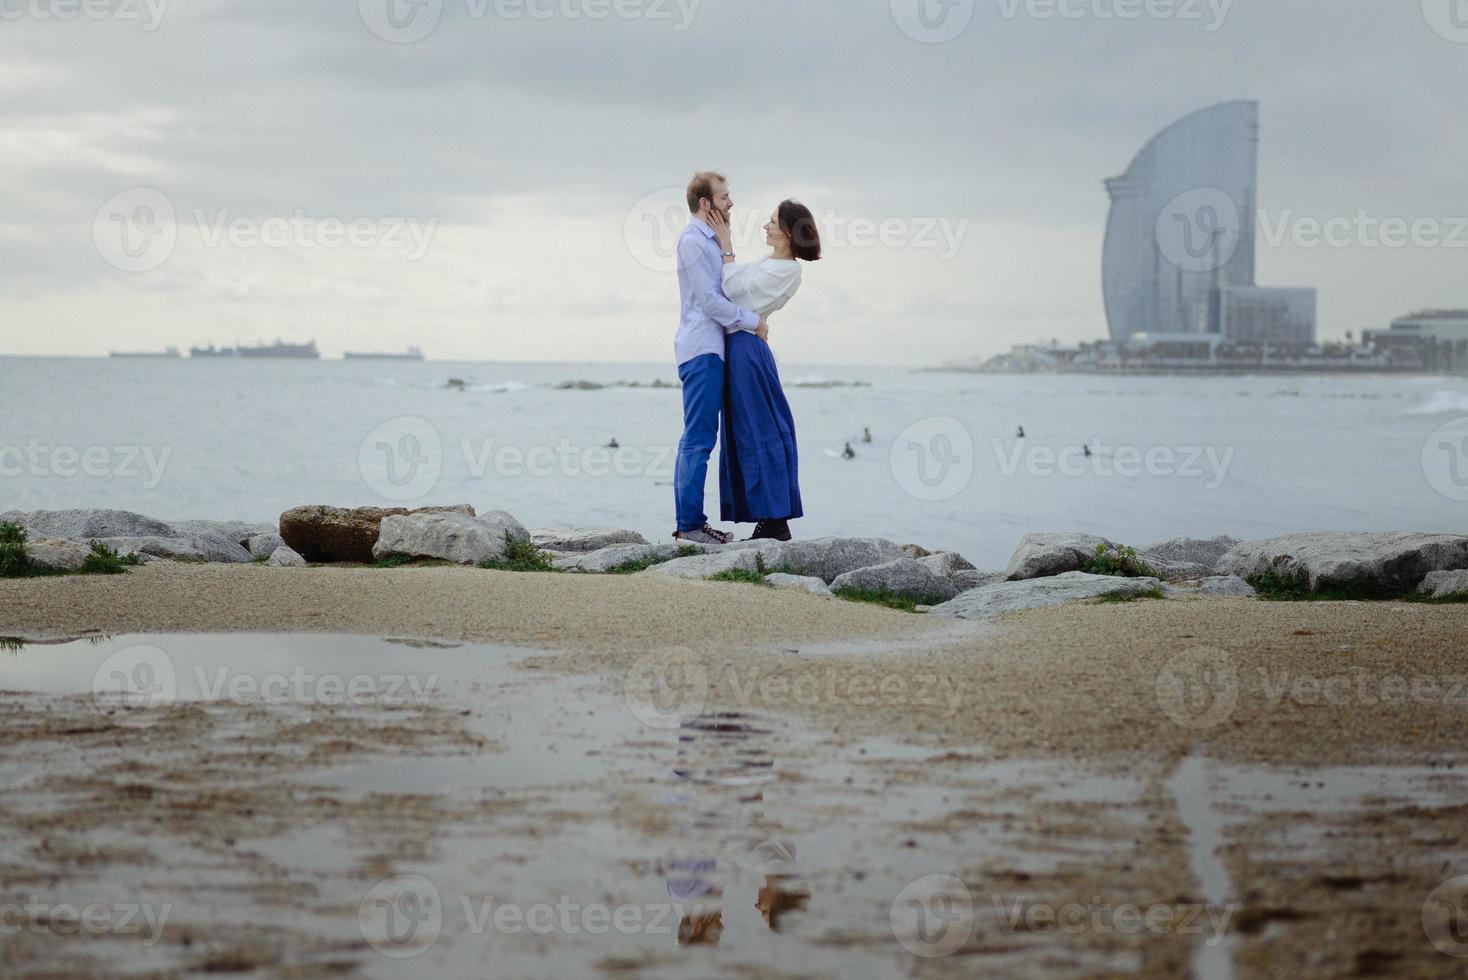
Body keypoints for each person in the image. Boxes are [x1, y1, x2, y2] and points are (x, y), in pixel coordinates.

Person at [708, 200, 821, 542]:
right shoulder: (769, 262)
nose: (766, 226)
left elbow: (732, 289)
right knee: (747, 429)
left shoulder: (789, 269)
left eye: (773, 222)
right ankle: (769, 516)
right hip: (741, 345)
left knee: (762, 428)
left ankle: (775, 518)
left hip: (746, 350)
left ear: (788, 232)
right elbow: (735, 289)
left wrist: (727, 246)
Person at [671, 172, 769, 546]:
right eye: (725, 197)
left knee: (702, 439)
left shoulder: (710, 241)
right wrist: (754, 321)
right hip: (702, 350)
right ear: (705, 204)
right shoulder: (693, 241)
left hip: (712, 350)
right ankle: (691, 525)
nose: (731, 203)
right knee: (697, 439)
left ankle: (693, 523)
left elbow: (725, 289)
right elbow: (712, 302)